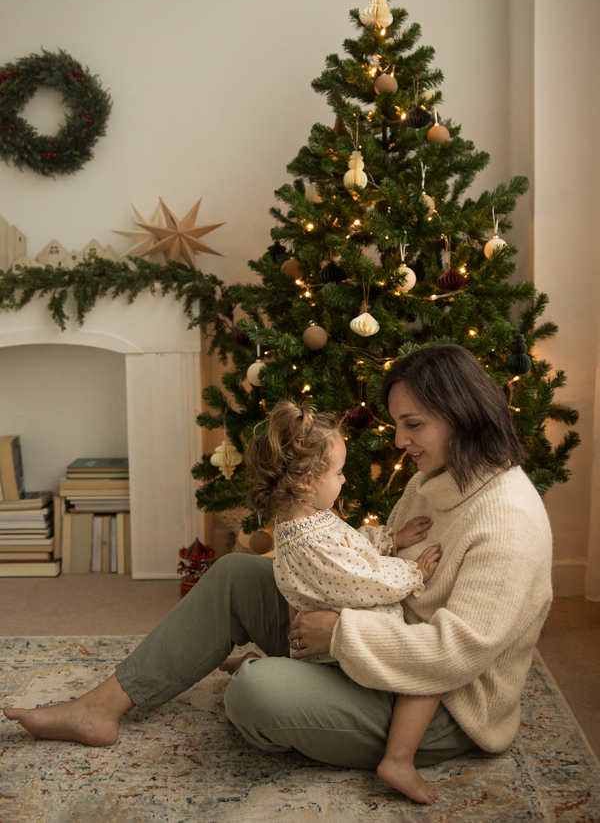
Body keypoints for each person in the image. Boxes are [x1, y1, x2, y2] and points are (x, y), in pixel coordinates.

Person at [3, 344, 553, 802]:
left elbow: (454, 655)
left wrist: (339, 631)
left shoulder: (508, 522)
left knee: (255, 692)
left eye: (413, 425)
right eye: (397, 424)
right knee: (236, 574)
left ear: (463, 415)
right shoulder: (439, 474)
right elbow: (376, 564)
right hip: (383, 631)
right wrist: (330, 602)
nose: (398, 441)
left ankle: (343, 717)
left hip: (440, 703)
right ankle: (99, 710)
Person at [224, 399, 444, 804]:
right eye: (339, 473)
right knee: (427, 674)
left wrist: (391, 539)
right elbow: (366, 580)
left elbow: (352, 547)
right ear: (308, 480)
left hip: (332, 628)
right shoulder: (311, 541)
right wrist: (414, 573)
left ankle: (253, 662)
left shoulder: (308, 520)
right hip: (345, 648)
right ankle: (399, 759)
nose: (344, 481)